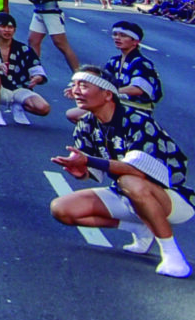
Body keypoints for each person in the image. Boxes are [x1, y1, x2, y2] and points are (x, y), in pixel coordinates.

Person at [49, 68, 193, 278]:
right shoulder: (86, 124)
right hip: (127, 193)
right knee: (61, 209)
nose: (76, 91)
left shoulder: (138, 120)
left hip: (170, 196)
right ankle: (140, 227)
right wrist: (80, 171)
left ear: (107, 94)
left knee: (130, 180)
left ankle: (172, 253)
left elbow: (138, 171)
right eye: (75, 85)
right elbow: (93, 170)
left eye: (84, 86)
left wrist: (88, 160)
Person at [0, 30, 52, 127]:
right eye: (3, 26)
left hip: (19, 88)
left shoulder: (24, 48)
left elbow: (37, 70)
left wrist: (38, 78)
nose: (7, 30)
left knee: (43, 108)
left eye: (10, 27)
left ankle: (17, 105)